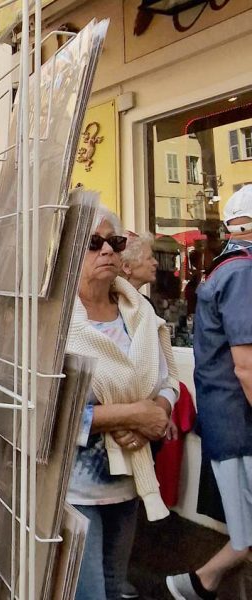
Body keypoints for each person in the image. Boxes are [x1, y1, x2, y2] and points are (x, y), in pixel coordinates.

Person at [65, 207, 179, 600]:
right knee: (90, 592)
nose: (107, 252)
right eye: (94, 243)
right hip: (74, 489)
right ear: (67, 252)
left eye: (114, 242)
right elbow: (46, 412)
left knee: (116, 586)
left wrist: (159, 412)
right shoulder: (55, 324)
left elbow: (169, 380)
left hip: (129, 479)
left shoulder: (139, 313)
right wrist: (133, 414)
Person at [166, 185, 252, 600]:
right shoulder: (243, 272)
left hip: (225, 421)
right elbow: (247, 366)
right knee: (246, 534)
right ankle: (197, 582)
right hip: (240, 425)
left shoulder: (223, 267)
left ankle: (200, 583)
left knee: (245, 531)